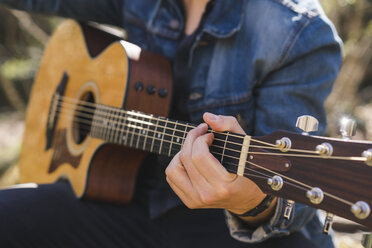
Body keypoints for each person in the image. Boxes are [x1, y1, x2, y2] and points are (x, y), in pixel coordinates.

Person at [0, 0, 342, 247]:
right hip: (127, 198)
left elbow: (292, 202)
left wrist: (247, 202)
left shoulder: (297, 30)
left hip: (223, 229)